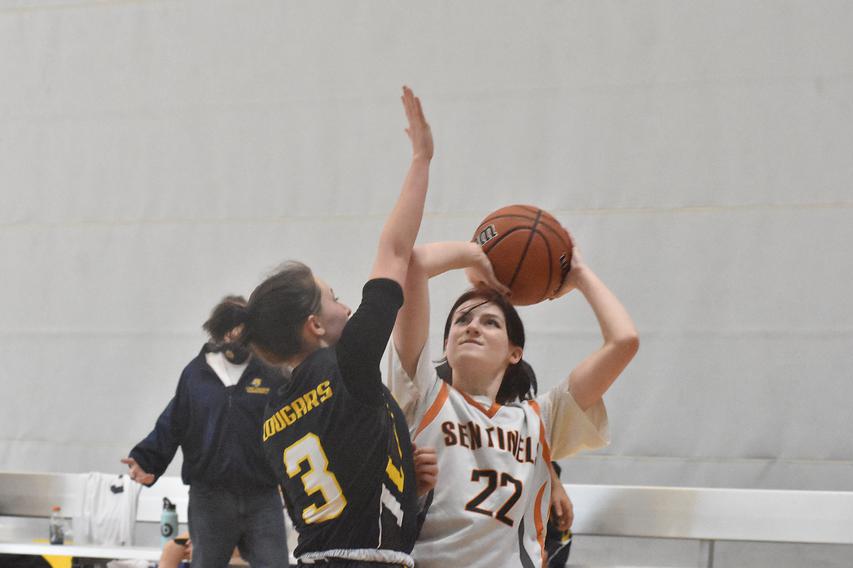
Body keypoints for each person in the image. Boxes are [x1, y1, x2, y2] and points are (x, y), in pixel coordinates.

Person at [238, 86, 434, 567]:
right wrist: (422, 158)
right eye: (335, 299)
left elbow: (343, 483)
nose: (347, 308)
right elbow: (394, 251)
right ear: (314, 326)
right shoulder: (347, 366)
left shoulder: (273, 416)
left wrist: (404, 471)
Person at [388, 239, 639, 568]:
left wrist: (578, 275)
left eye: (490, 322)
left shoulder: (541, 418)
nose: (473, 326)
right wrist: (473, 255)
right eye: (462, 320)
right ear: (446, 344)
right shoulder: (422, 396)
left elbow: (624, 341)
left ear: (514, 352)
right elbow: (414, 263)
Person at [122, 296, 289, 568]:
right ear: (220, 333)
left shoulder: (271, 373)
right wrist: (146, 460)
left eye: (245, 331)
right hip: (211, 497)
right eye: (232, 330)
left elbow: (292, 421)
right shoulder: (196, 375)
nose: (238, 338)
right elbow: (172, 422)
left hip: (262, 494)